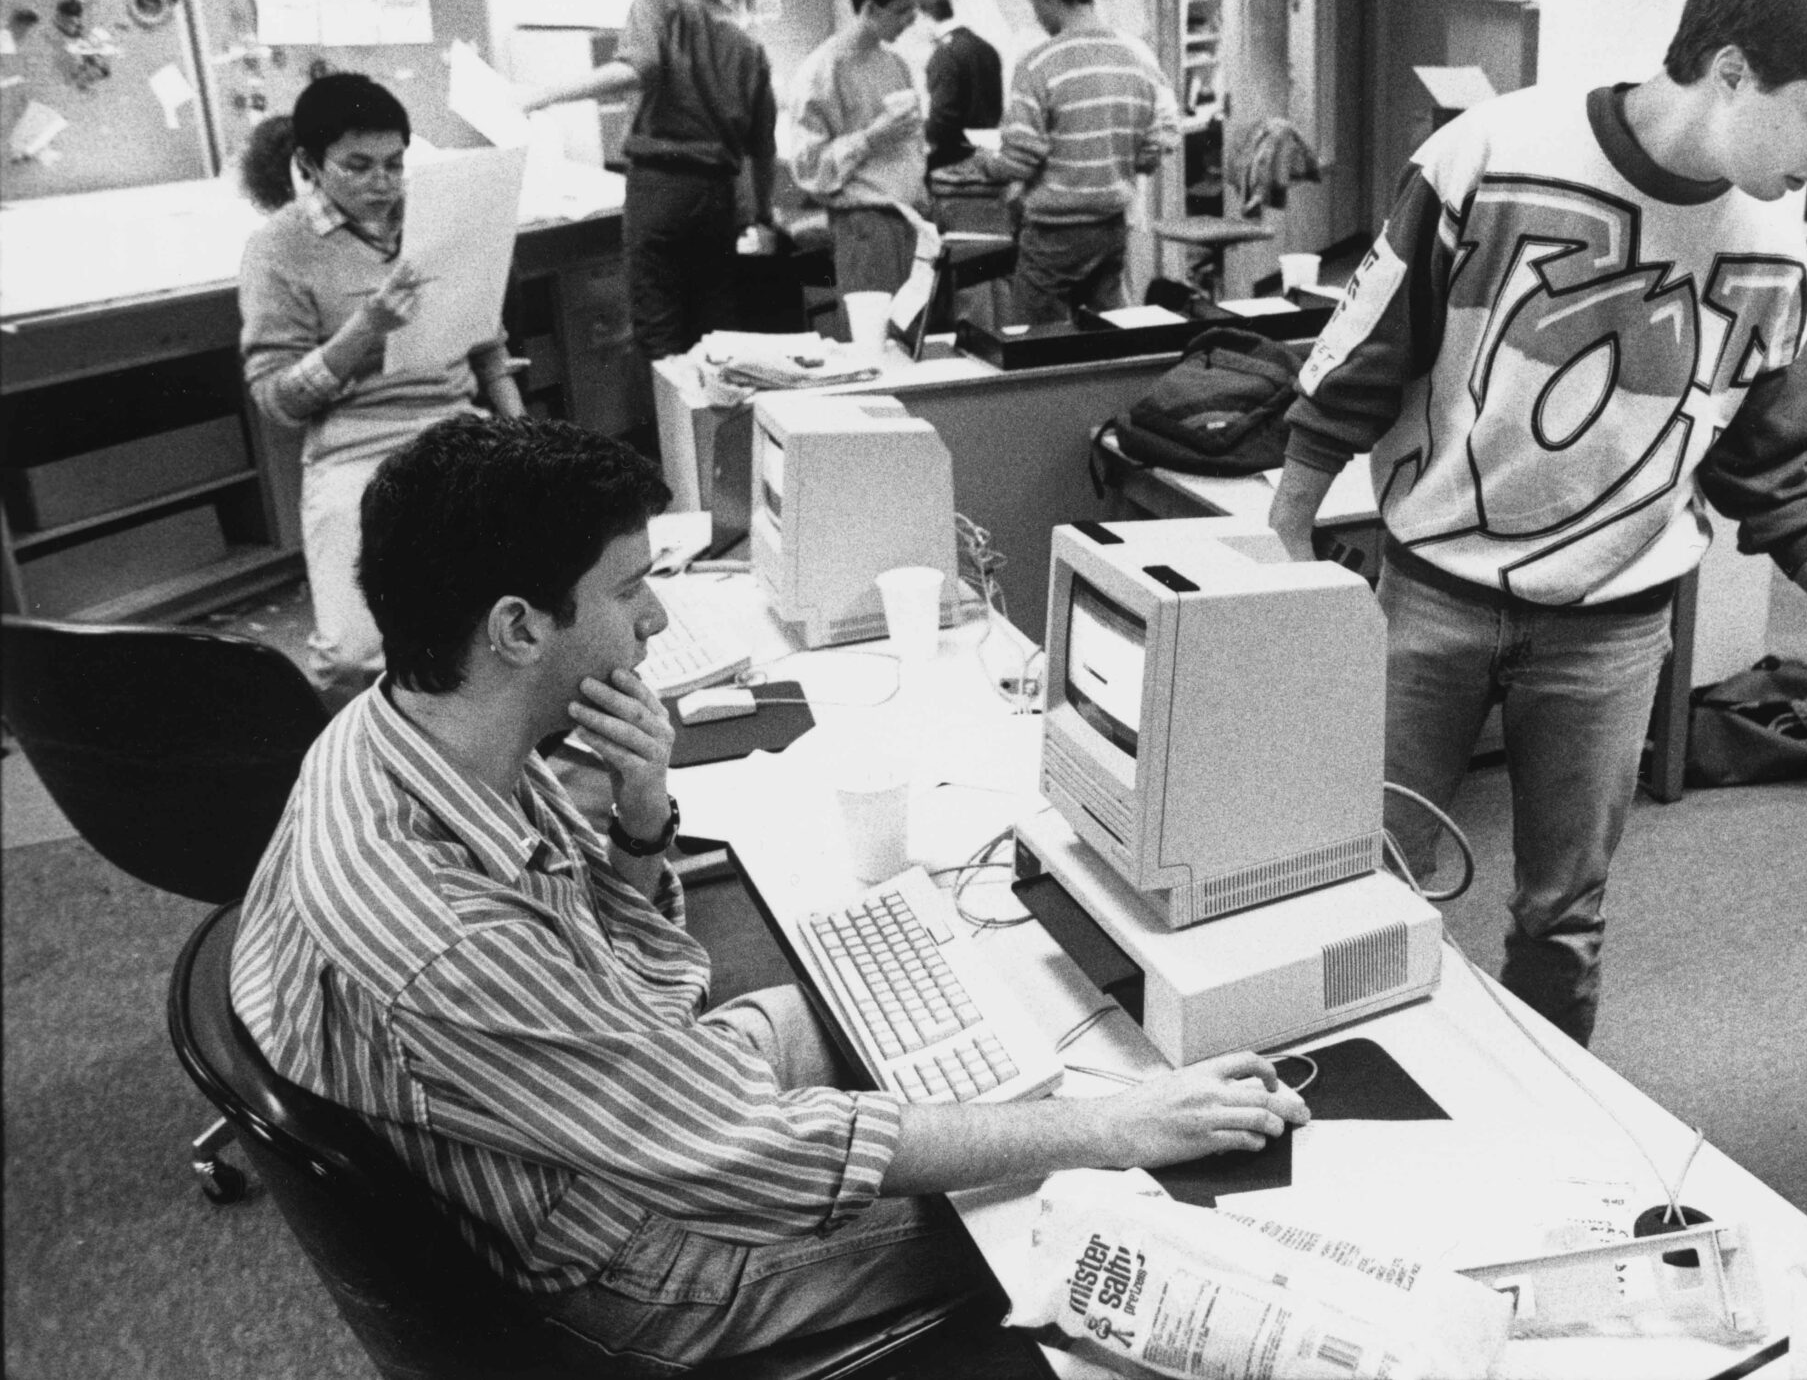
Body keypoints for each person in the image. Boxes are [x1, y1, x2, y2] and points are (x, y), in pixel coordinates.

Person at [230, 414, 1309, 1375]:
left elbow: (645, 985)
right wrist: (1108, 1130)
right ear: (516, 629)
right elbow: (752, 1152)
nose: (653, 620)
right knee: (1071, 1207)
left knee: (954, 1007)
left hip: (576, 1125)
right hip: (614, 1256)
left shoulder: (423, 731)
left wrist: (642, 813)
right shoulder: (441, 925)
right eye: (626, 587)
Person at [1269, 0, 1807, 1045]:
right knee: (1366, 881)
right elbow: (1364, 360)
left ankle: (1550, 1148)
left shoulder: (1777, 259)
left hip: (1613, 626)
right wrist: (1280, 552)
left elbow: (1776, 479)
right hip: (1431, 589)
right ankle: (1345, 1098)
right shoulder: (1490, 152)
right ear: (1730, 73)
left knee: (1564, 914)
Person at [237, 75, 522, 696]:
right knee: (349, 658)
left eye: (395, 164)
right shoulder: (277, 248)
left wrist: (523, 431)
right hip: (353, 442)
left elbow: (487, 341)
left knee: (513, 616)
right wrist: (366, 328)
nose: (382, 183)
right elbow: (277, 400)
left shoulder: (434, 212)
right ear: (310, 164)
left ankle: (485, 755)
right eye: (358, 166)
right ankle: (364, 775)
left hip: (454, 424)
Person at [523, 0, 780, 359]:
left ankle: (673, 426)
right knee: (716, 331)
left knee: (660, 327)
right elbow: (764, 148)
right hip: (718, 197)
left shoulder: (658, 3)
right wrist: (764, 215)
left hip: (661, 189)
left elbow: (636, 69)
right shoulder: (748, 46)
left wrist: (541, 95)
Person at [980, 0, 1179, 324]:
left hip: (1055, 232)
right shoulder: (1135, 59)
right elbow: (1153, 147)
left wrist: (985, 164)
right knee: (1104, 334)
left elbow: (1020, 159)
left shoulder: (1039, 63)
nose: (1036, 15)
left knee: (1039, 346)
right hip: (1111, 228)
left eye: (1033, 3)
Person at [783, 0, 931, 299]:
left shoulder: (895, 64)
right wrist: (871, 138)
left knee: (917, 339)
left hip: (912, 219)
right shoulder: (821, 72)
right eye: (901, 10)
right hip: (866, 226)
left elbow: (912, 147)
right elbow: (809, 169)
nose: (911, 19)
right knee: (875, 342)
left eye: (914, 7)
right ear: (868, 9)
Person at [917, 0, 1003, 173]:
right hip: (988, 158)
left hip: (953, 163)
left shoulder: (944, 54)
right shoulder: (986, 48)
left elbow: (942, 123)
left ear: (922, 16)